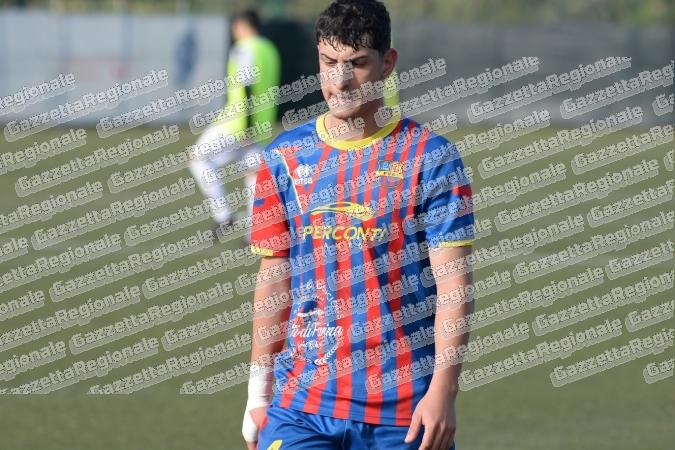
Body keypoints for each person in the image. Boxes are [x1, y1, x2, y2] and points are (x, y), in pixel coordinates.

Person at [243, 1, 475, 449]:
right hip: (301, 405)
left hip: (403, 411)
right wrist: (258, 392)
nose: (341, 80)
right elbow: (274, 278)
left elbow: (454, 286)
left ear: (387, 64)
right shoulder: (284, 157)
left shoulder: (431, 158)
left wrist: (443, 391)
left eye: (358, 64)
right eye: (329, 62)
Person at [188, 9, 280, 240]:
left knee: (198, 158)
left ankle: (223, 216)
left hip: (237, 123)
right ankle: (252, 236)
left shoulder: (244, 48)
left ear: (242, 26)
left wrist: (246, 126)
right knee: (253, 177)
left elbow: (247, 85)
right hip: (262, 124)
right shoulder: (270, 49)